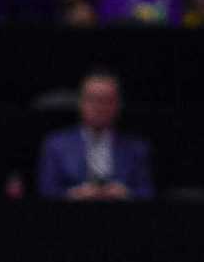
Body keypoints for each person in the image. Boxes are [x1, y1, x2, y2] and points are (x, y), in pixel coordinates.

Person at [35, 70, 153, 200]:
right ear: (80, 103)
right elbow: (46, 192)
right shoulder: (55, 145)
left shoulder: (136, 148)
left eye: (106, 101)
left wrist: (126, 193)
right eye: (92, 99)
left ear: (118, 105)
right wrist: (73, 195)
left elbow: (147, 192)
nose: (99, 107)